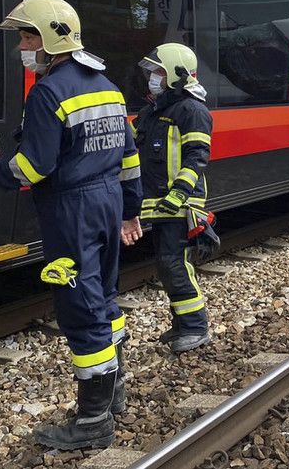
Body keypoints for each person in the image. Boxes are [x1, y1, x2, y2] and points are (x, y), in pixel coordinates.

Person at [0, 0, 142, 450]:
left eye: (27, 38)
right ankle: (115, 393)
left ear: (50, 40)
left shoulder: (48, 92)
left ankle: (93, 422)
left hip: (72, 212)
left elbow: (34, 167)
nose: (22, 48)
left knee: (81, 311)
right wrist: (130, 209)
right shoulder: (107, 86)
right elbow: (129, 159)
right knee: (103, 298)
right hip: (108, 204)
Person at [132, 43, 214, 353]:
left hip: (182, 204)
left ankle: (195, 327)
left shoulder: (192, 110)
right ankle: (182, 324)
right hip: (160, 203)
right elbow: (130, 143)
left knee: (174, 264)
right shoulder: (154, 111)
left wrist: (179, 192)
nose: (152, 77)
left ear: (176, 74)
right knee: (167, 264)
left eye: (158, 71)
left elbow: (197, 156)